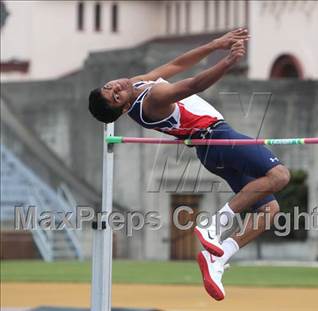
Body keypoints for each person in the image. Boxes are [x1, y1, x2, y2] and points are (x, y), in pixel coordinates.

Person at [88, 28, 290, 301]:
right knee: (279, 175)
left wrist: (215, 44)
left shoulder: (136, 86)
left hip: (210, 150)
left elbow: (175, 65)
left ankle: (219, 258)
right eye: (115, 96)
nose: (116, 89)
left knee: (269, 208)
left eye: (109, 87)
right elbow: (193, 85)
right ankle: (213, 226)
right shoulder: (151, 100)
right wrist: (227, 62)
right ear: (123, 109)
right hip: (217, 137)